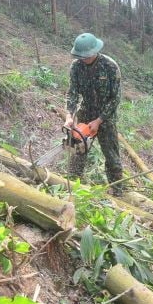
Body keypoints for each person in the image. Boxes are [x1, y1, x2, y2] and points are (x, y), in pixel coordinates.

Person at [65, 32, 124, 195]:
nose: (83, 59)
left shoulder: (110, 66)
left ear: (94, 52)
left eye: (86, 56)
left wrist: (99, 120)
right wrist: (69, 115)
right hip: (85, 113)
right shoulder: (76, 67)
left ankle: (118, 190)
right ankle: (72, 186)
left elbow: (115, 98)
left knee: (112, 157)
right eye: (80, 57)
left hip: (106, 117)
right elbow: (72, 93)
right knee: (78, 152)